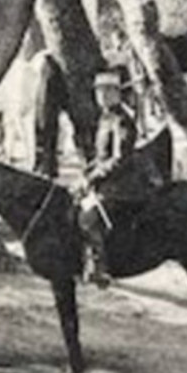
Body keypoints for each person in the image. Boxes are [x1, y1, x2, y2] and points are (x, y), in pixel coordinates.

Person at [78, 70, 138, 289]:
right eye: (99, 92)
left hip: (121, 183)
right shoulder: (105, 118)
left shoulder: (122, 120)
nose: (102, 96)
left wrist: (94, 176)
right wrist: (88, 170)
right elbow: (101, 156)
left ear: (117, 93)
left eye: (107, 92)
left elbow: (120, 158)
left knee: (89, 217)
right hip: (106, 178)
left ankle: (101, 268)